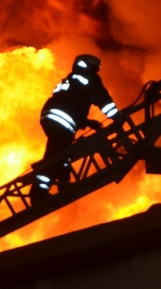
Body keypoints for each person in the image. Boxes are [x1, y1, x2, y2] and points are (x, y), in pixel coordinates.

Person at [33, 54, 118, 200]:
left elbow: (70, 104)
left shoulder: (71, 79)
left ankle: (61, 184)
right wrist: (116, 117)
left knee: (60, 153)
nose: (96, 72)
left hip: (51, 117)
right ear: (89, 67)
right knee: (58, 157)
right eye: (94, 69)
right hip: (62, 120)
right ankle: (39, 194)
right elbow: (102, 98)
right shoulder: (88, 78)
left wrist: (87, 122)